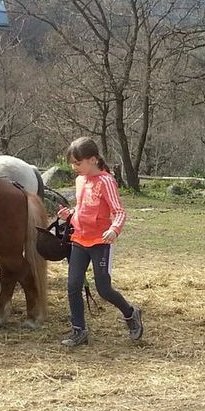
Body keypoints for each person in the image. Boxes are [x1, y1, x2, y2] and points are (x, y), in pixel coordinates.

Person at [56, 137, 143, 346]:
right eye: (73, 163)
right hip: (79, 239)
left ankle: (131, 314)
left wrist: (114, 229)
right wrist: (70, 215)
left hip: (100, 242)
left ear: (93, 160)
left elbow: (119, 212)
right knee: (73, 285)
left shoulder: (106, 182)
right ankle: (79, 330)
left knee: (104, 289)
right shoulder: (80, 181)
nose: (74, 167)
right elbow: (83, 207)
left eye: (78, 162)